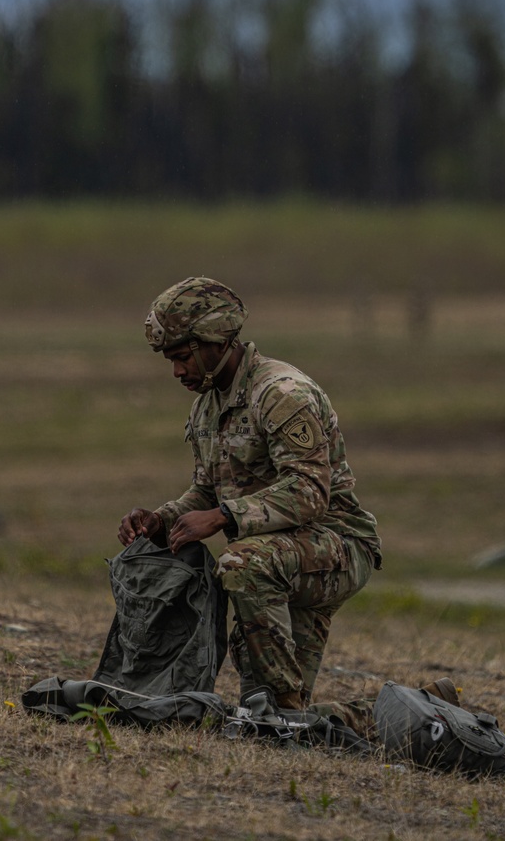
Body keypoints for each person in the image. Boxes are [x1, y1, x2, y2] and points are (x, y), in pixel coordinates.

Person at [119, 275, 382, 713]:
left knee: (240, 566)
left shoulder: (281, 394)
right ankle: (413, 712)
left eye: (183, 357)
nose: (177, 371)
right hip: (280, 554)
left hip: (337, 545)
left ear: (215, 342)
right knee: (278, 719)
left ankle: (283, 708)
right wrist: (160, 520)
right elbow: (206, 489)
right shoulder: (208, 402)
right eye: (171, 359)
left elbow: (310, 491)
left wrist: (223, 517)